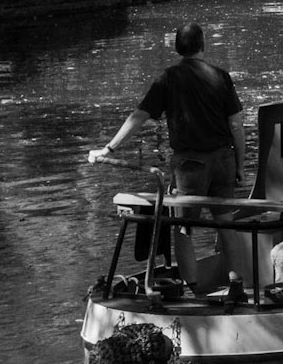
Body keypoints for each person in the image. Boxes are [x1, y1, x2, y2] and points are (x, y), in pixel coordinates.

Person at [88, 22, 247, 291]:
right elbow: (236, 125)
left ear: (177, 47)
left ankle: (193, 291)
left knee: (183, 228)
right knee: (226, 225)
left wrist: (109, 148)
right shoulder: (221, 76)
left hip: (190, 166)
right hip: (223, 160)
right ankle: (236, 287)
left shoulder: (168, 79)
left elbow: (138, 116)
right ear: (203, 44)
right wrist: (240, 165)